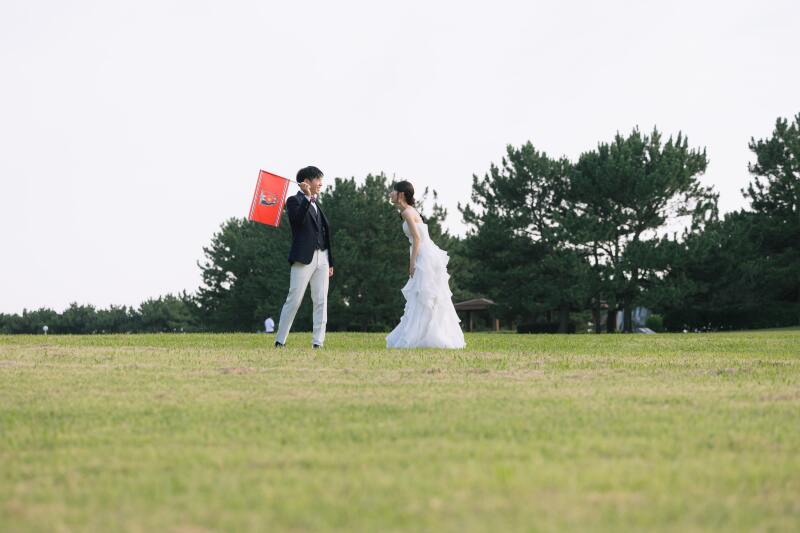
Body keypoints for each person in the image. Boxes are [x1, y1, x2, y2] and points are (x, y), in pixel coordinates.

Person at [386, 181, 465, 349]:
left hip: (424, 256)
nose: (390, 194)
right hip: (425, 253)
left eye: (393, 191)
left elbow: (417, 238)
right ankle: (422, 335)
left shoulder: (407, 212)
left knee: (425, 296)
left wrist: (412, 262)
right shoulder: (406, 212)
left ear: (400, 194)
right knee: (421, 296)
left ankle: (428, 336)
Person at [274, 166, 334, 349]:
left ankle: (318, 342)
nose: (321, 184)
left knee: (321, 300)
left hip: (322, 258)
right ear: (306, 181)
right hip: (303, 258)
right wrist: (307, 197)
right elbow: (297, 220)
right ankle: (280, 341)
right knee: (295, 299)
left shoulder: (317, 204)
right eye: (318, 180)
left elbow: (325, 233)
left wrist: (330, 261)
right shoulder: (294, 201)